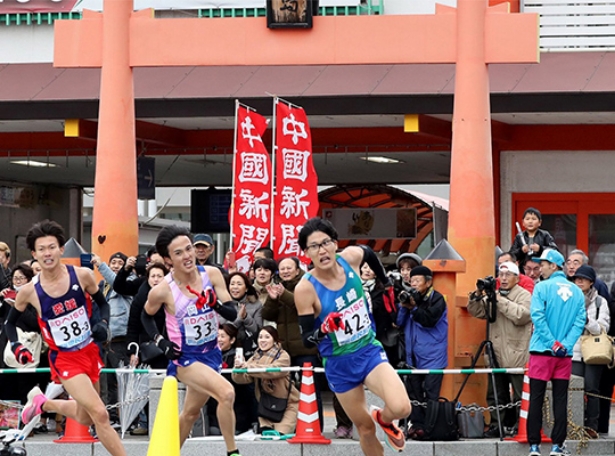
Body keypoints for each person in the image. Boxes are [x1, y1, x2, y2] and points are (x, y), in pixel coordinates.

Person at [3, 220, 125, 456]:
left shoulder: (83, 276)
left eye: (51, 247)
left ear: (61, 249)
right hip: (65, 359)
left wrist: (103, 323)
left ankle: (43, 403)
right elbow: (10, 323)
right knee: (100, 413)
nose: (47, 253)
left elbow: (102, 303)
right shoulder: (29, 291)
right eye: (41, 249)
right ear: (34, 254)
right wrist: (17, 346)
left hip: (89, 351)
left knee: (84, 415)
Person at [295, 217, 410, 455]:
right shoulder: (305, 289)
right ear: (306, 252)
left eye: (325, 243)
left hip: (368, 351)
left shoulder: (351, 259)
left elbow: (368, 251)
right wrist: (324, 329)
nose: (322, 250)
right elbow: (307, 339)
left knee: (401, 407)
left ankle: (385, 418)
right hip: (339, 364)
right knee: (365, 428)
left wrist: (384, 279)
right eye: (314, 246)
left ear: (335, 244)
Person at [142, 225, 241, 455]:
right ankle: (233, 452)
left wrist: (214, 304)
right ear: (168, 259)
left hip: (211, 353)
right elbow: (144, 316)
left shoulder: (211, 274)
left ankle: (167, 452)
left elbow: (232, 313)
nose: (187, 256)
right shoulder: (163, 290)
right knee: (226, 393)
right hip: (185, 359)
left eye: (188, 249)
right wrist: (161, 342)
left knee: (190, 413)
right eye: (178, 253)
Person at [526, 249, 585, 456]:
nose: (539, 268)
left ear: (553, 266)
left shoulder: (541, 287)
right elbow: (579, 322)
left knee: (536, 398)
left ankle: (534, 446)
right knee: (560, 399)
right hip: (564, 356)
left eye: (543, 264)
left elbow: (537, 318)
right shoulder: (577, 291)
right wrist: (564, 346)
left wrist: (552, 343)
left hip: (542, 351)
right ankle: (557, 446)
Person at [261, 257, 327, 435]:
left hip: (307, 349)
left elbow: (304, 308)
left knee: (311, 389)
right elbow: (267, 314)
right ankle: (290, 426)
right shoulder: (279, 288)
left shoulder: (306, 285)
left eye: (289, 268)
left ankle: (316, 427)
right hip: (285, 350)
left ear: (298, 270)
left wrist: (284, 295)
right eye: (282, 269)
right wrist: (273, 299)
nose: (285, 271)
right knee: (288, 390)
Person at [467, 261, 532, 438]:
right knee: (496, 392)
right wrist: (477, 295)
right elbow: (477, 312)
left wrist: (499, 300)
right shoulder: (493, 295)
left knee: (519, 394)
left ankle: (521, 425)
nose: (503, 279)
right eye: (500, 275)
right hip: (495, 350)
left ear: (517, 278)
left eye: (507, 275)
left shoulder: (523, 295)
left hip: (516, 351)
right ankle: (498, 425)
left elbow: (522, 316)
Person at [396, 265, 448, 440]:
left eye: (418, 281)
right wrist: (404, 306)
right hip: (413, 354)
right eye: (412, 281)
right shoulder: (412, 299)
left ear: (429, 281)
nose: (414, 284)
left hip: (433, 354)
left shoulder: (437, 298)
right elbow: (399, 322)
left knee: (431, 393)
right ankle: (417, 427)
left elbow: (429, 320)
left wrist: (414, 308)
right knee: (414, 393)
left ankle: (431, 427)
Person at [125, 261, 169, 436]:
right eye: (153, 276)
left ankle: (167, 422)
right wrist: (132, 351)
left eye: (160, 276)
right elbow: (133, 326)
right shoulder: (140, 297)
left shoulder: (171, 294)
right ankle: (149, 422)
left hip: (169, 346)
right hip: (147, 348)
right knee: (147, 387)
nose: (156, 279)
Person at [90, 251, 133, 425]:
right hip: (104, 341)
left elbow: (117, 283)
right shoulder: (101, 286)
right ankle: (111, 417)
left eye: (119, 263)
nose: (115, 265)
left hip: (120, 339)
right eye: (112, 262)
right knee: (105, 382)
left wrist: (101, 265)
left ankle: (131, 418)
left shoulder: (127, 282)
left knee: (123, 381)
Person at [232, 326, 299, 435]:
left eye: (267, 337)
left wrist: (248, 367)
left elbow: (272, 372)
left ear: (275, 340)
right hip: (265, 406)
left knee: (281, 436)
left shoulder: (283, 355)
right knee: (266, 436)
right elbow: (243, 379)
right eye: (260, 337)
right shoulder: (255, 357)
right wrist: (238, 369)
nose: (262, 340)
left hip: (287, 405)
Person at [570, 265, 610, 438]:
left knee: (592, 389)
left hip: (593, 350)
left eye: (583, 279)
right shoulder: (569, 299)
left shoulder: (600, 301)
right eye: (576, 278)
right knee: (574, 389)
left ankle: (592, 426)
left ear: (591, 282)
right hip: (573, 350)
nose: (578, 281)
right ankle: (574, 425)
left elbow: (603, 328)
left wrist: (586, 320)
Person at [207, 324, 258, 435]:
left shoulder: (238, 357)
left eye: (222, 336)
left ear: (232, 340)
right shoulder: (209, 356)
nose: (219, 339)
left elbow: (244, 388)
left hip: (236, 411)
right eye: (217, 336)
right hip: (214, 411)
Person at [225, 272, 262, 360]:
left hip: (249, 349)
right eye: (232, 284)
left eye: (239, 284)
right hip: (227, 350)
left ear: (246, 288)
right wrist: (239, 318)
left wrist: (246, 317)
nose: (235, 287)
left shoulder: (256, 304)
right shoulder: (223, 304)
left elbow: (257, 330)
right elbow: (223, 328)